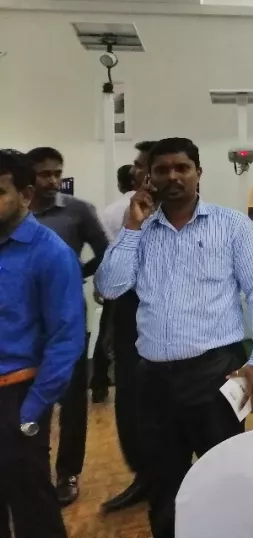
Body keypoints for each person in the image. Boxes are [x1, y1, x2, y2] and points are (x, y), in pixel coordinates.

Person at [96, 138, 253, 538]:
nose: (173, 177)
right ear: (149, 177)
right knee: (164, 489)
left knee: (227, 480)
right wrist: (131, 228)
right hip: (154, 381)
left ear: (199, 173)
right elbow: (109, 287)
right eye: (162, 170)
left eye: (182, 168)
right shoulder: (139, 231)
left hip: (218, 373)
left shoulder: (233, 225)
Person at [0, 149, 84, 538]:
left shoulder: (50, 253)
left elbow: (65, 339)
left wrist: (33, 409)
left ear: (26, 195)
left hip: (19, 395)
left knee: (32, 504)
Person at [26, 146, 109, 507]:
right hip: (23, 322)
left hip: (68, 318)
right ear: (28, 176)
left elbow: (106, 251)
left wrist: (78, 273)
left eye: (57, 173)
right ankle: (32, 471)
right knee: (28, 398)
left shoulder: (77, 211)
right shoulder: (14, 211)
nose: (53, 181)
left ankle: (68, 473)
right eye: (45, 174)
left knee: (73, 399)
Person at [98, 140, 156, 514]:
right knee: (130, 400)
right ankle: (145, 476)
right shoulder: (125, 214)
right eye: (135, 165)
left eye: (141, 164)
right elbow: (112, 281)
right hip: (129, 315)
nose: (134, 170)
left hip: (168, 327)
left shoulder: (190, 219)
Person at [92, 165, 135, 404]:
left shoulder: (109, 212)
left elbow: (104, 251)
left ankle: (99, 384)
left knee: (107, 332)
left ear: (119, 184)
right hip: (140, 286)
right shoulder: (158, 209)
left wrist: (100, 283)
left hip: (116, 281)